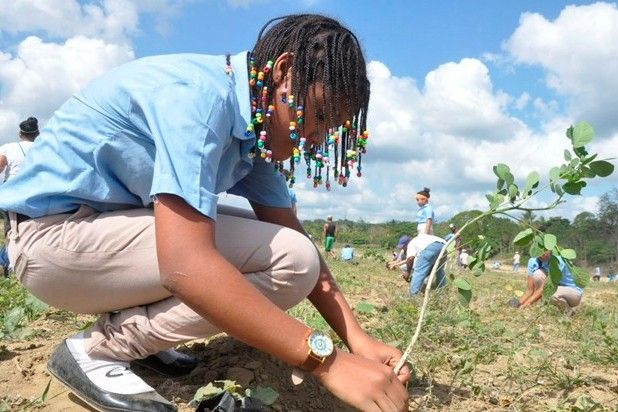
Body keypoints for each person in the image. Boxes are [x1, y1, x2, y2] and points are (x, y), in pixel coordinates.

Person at [0, 14, 409, 412]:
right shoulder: (199, 100)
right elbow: (186, 265)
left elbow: (290, 229)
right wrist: (328, 361)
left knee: (290, 246)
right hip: (52, 241)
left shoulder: (254, 133)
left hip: (96, 238)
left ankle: (142, 339)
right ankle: (98, 350)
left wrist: (356, 337)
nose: (313, 141)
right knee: (289, 259)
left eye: (327, 132)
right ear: (284, 72)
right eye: (317, 118)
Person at [0, 117, 39, 277]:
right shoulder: (43, 147)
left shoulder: (8, 147)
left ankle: (9, 264)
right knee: (35, 229)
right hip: (38, 193)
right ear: (37, 133)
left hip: (14, 194)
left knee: (13, 230)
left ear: (20, 133)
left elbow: (0, 164)